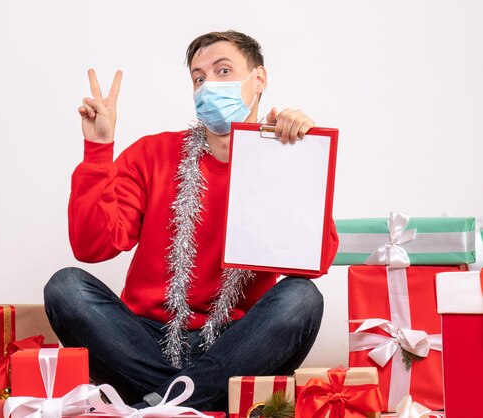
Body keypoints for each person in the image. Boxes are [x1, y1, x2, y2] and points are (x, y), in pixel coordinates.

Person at [44, 30, 338, 411]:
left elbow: (317, 261)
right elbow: (92, 246)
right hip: (142, 340)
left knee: (302, 297)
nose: (208, 85)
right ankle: (192, 401)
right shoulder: (153, 153)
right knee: (65, 287)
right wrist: (98, 150)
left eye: (223, 71)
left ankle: (160, 404)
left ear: (258, 79)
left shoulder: (280, 155)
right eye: (199, 78)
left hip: (237, 343)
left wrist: (296, 159)